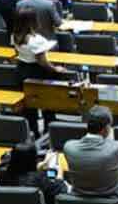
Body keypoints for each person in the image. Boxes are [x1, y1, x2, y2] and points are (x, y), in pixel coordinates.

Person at [63, 105, 118, 204]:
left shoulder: (69, 147)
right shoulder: (115, 147)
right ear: (106, 128)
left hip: (79, 196)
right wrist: (109, 142)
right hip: (110, 198)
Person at [11, 8, 72, 136]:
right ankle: (48, 131)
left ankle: (33, 133)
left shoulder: (15, 35)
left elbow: (18, 53)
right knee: (46, 103)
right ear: (31, 21)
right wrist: (56, 69)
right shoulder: (35, 40)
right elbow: (42, 62)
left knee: (29, 106)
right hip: (37, 72)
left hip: (22, 70)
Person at [0, 140, 67, 204]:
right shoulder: (39, 178)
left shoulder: (2, 175)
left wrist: (40, 165)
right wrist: (60, 174)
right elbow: (61, 190)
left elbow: (20, 170)